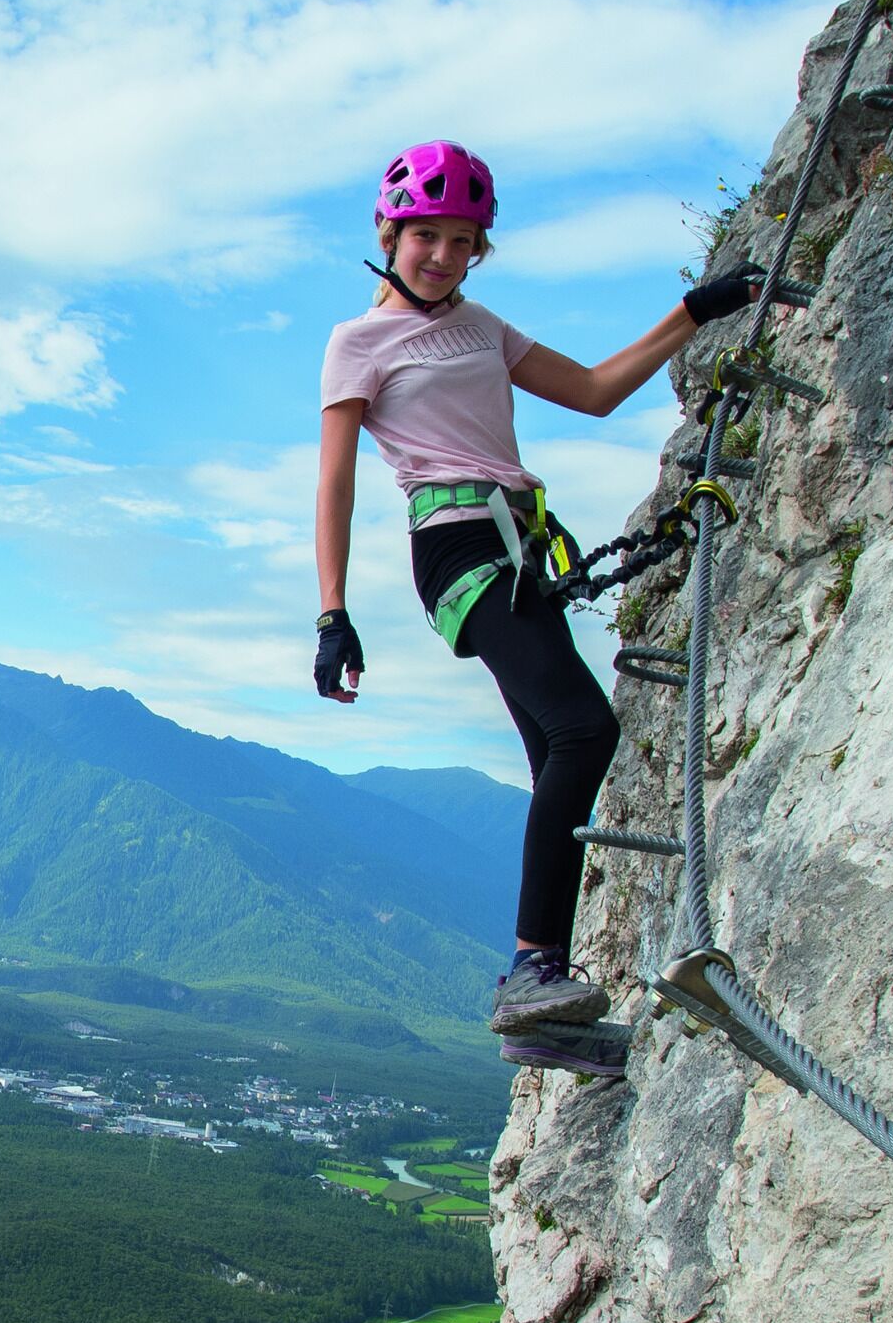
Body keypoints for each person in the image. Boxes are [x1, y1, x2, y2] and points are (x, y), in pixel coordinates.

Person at [309, 140, 762, 1034]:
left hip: (519, 545)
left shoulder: (483, 328)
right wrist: (333, 612)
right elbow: (336, 480)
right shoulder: (357, 343)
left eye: (462, 239)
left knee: (555, 750)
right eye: (425, 235)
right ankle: (532, 969)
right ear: (389, 234)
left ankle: (544, 1018)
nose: (441, 255)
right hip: (455, 546)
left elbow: (593, 390)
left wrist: (693, 312)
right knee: (584, 728)